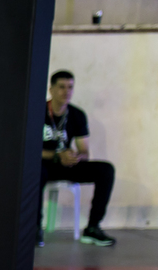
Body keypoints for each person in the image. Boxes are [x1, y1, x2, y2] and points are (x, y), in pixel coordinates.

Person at [38, 70, 116, 247]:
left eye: (70, 87)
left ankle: (93, 228)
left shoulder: (76, 114)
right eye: (62, 87)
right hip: (44, 164)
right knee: (35, 173)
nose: (67, 92)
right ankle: (34, 229)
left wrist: (75, 157)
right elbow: (29, 151)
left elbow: (84, 151)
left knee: (106, 170)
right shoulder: (38, 112)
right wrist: (57, 155)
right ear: (51, 89)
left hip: (66, 164)